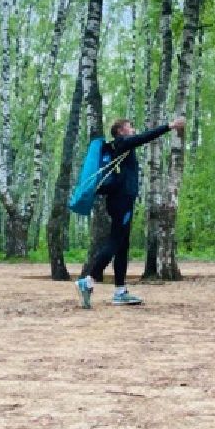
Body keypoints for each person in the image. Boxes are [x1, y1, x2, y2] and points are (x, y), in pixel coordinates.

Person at [74, 116, 186, 307]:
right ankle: (88, 280)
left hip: (120, 200)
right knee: (115, 240)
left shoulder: (120, 146)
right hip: (121, 201)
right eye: (130, 127)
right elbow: (144, 137)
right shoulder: (122, 143)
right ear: (120, 131)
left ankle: (120, 291)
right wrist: (169, 126)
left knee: (122, 245)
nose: (133, 129)